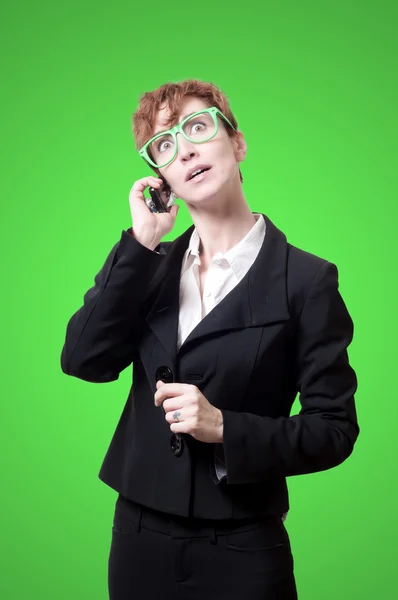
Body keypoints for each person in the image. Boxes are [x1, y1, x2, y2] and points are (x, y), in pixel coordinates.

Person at [60, 79, 359, 600]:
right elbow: (84, 359)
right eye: (165, 145)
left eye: (198, 127)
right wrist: (140, 241)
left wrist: (224, 428)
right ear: (163, 176)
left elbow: (334, 430)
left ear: (237, 144)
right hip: (137, 537)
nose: (187, 149)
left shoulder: (307, 282)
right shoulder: (147, 265)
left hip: (243, 544)